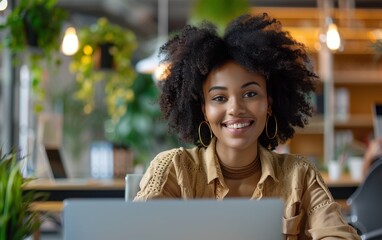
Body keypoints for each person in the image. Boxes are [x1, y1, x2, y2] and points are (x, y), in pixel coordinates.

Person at [134, 13, 360, 239]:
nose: (235, 109)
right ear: (203, 109)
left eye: (250, 94)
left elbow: (339, 236)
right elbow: (134, 232)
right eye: (219, 98)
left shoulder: (299, 176)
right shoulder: (175, 169)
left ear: (269, 104)